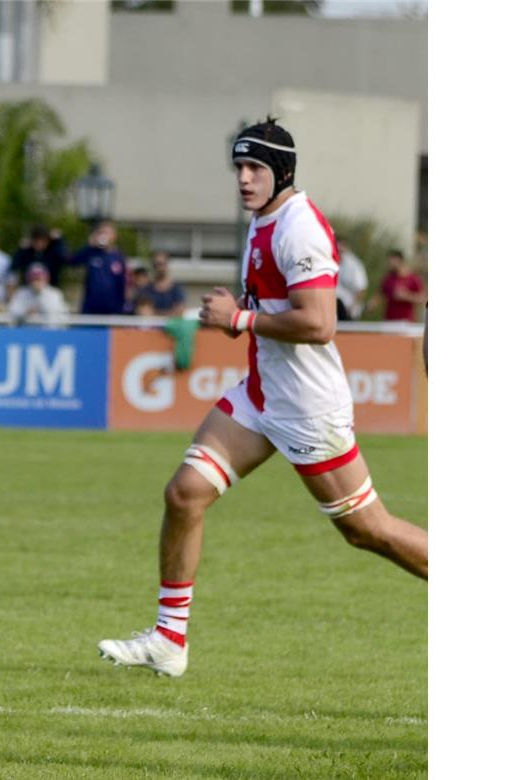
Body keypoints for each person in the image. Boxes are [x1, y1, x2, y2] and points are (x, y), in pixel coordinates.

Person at [96, 118, 427, 678]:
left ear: (282, 171)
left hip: (307, 409)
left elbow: (320, 323)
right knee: (184, 494)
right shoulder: (261, 220)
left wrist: (240, 319)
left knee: (367, 530)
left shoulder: (299, 227)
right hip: (261, 395)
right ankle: (169, 640)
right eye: (239, 168)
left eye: (255, 168)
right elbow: (273, 311)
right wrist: (239, 316)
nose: (244, 179)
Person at [68, 221, 128, 315]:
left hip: (112, 308)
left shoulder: (118, 257)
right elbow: (72, 262)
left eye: (107, 233)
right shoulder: (91, 253)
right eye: (101, 232)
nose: (104, 236)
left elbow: (122, 284)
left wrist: (120, 307)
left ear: (114, 236)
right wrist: (88, 246)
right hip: (90, 307)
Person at [375, 249, 425, 322]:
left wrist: (406, 295)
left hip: (406, 321)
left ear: (400, 261)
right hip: (388, 321)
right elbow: (379, 295)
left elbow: (422, 299)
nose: (390, 264)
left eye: (393, 261)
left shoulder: (413, 278)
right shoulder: (388, 278)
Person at [134, 250, 187, 317]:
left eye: (162, 264)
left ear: (167, 264)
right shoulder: (146, 289)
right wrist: (169, 313)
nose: (159, 268)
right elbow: (144, 312)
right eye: (156, 264)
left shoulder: (177, 289)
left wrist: (155, 313)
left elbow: (179, 312)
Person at [334, 240, 368, 322]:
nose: (340, 253)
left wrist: (353, 307)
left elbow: (361, 289)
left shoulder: (354, 265)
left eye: (341, 251)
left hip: (348, 311)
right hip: (331, 309)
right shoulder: (327, 262)